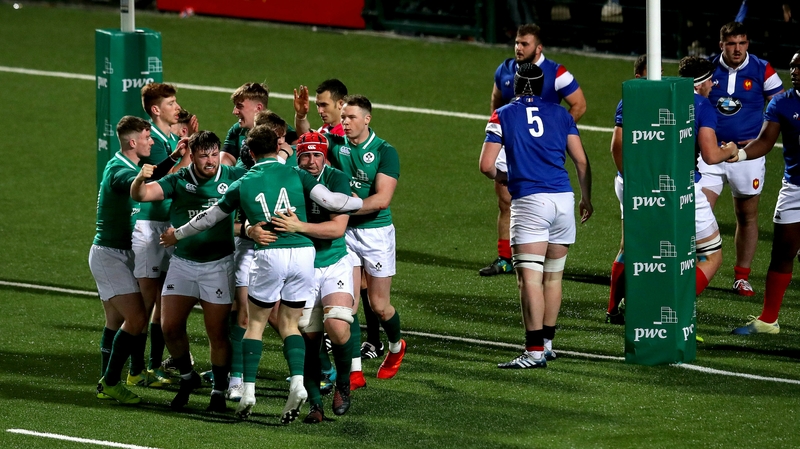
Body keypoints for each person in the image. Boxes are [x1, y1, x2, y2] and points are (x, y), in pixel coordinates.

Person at [166, 125, 362, 424]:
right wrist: (361, 202)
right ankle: (297, 382)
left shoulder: (243, 181)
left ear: (252, 152)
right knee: (291, 323)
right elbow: (334, 203)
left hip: (269, 253)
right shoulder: (298, 174)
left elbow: (207, 219)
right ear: (278, 148)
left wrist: (177, 235)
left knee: (255, 322)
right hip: (303, 254)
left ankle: (247, 391)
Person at [479, 63, 592, 369]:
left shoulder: (502, 114)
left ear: (514, 85)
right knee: (553, 277)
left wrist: (504, 176)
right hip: (563, 200)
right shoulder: (561, 114)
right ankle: (549, 343)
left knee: (529, 279)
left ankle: (534, 351)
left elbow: (486, 165)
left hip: (530, 202)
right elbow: (581, 161)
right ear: (543, 86)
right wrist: (586, 199)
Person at [132, 131, 247, 412]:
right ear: (192, 155)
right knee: (170, 327)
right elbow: (143, 194)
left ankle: (218, 391)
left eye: (213, 154)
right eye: (203, 155)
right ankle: (187, 378)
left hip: (218, 265)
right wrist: (138, 179)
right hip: (183, 263)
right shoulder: (179, 179)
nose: (209, 161)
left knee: (217, 333)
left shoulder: (233, 177)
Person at [481, 23, 587, 277]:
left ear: (538, 47)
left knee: (537, 198)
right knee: (505, 201)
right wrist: (499, 134)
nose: (518, 48)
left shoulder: (556, 72)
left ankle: (539, 253)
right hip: (513, 143)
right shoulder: (505, 70)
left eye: (524, 43)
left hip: (542, 148)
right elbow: (496, 101)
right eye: (517, 42)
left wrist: (557, 134)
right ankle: (506, 256)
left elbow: (579, 105)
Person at [267, 131, 357, 422]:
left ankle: (343, 382)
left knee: (338, 326)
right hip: (302, 266)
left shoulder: (336, 180)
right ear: (298, 156)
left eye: (316, 155)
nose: (311, 161)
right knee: (307, 338)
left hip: (334, 262)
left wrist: (298, 227)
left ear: (325, 156)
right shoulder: (289, 179)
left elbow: (336, 230)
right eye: (305, 155)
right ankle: (316, 405)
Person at [322, 94, 405, 388]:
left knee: (380, 305)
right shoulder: (337, 144)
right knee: (350, 306)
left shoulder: (385, 151)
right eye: (342, 117)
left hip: (376, 234)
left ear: (367, 119)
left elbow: (382, 199)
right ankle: (355, 372)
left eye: (351, 117)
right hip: (347, 233)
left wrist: (350, 204)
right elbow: (306, 140)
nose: (344, 122)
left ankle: (396, 348)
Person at [700, 21, 784, 296]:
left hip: (746, 156)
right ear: (721, 45)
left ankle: (741, 276)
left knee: (746, 216)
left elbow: (780, 105)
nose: (738, 49)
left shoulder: (763, 69)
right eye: (732, 44)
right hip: (709, 155)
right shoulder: (708, 69)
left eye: (743, 43)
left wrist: (757, 139)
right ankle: (698, 265)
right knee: (699, 211)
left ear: (748, 43)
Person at [731, 50, 800, 335]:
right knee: (782, 251)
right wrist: (741, 155)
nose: (794, 71)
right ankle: (768, 320)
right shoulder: (783, 104)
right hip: (795, 188)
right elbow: (765, 141)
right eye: (793, 66)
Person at [91, 116, 153, 404]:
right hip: (109, 255)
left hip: (120, 253)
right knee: (137, 318)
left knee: (115, 320)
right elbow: (129, 185)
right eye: (146, 137)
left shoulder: (125, 163)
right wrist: (141, 178)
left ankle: (106, 382)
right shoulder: (120, 169)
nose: (150, 141)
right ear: (133, 142)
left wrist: (176, 157)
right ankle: (113, 381)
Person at [130, 82, 189, 388]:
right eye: (171, 103)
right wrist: (186, 154)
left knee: (164, 300)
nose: (176, 107)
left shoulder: (169, 137)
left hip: (167, 225)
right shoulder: (151, 139)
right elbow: (168, 176)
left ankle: (154, 365)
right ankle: (136, 368)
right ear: (156, 109)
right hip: (150, 226)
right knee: (147, 302)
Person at [606, 54, 648, 324]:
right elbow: (616, 145)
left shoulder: (664, 99)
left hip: (651, 183)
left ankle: (632, 303)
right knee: (631, 246)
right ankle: (613, 308)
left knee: (642, 245)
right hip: (634, 183)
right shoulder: (631, 101)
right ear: (638, 76)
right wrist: (628, 178)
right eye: (649, 73)